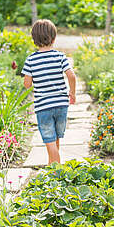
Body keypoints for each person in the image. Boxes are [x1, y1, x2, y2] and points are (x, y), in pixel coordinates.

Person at [22, 19, 76, 164]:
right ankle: (52, 165)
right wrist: (72, 93)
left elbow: (27, 85)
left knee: (49, 140)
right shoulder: (60, 56)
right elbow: (71, 75)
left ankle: (57, 171)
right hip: (61, 104)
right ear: (54, 38)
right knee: (55, 138)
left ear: (34, 39)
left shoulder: (31, 60)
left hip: (43, 106)